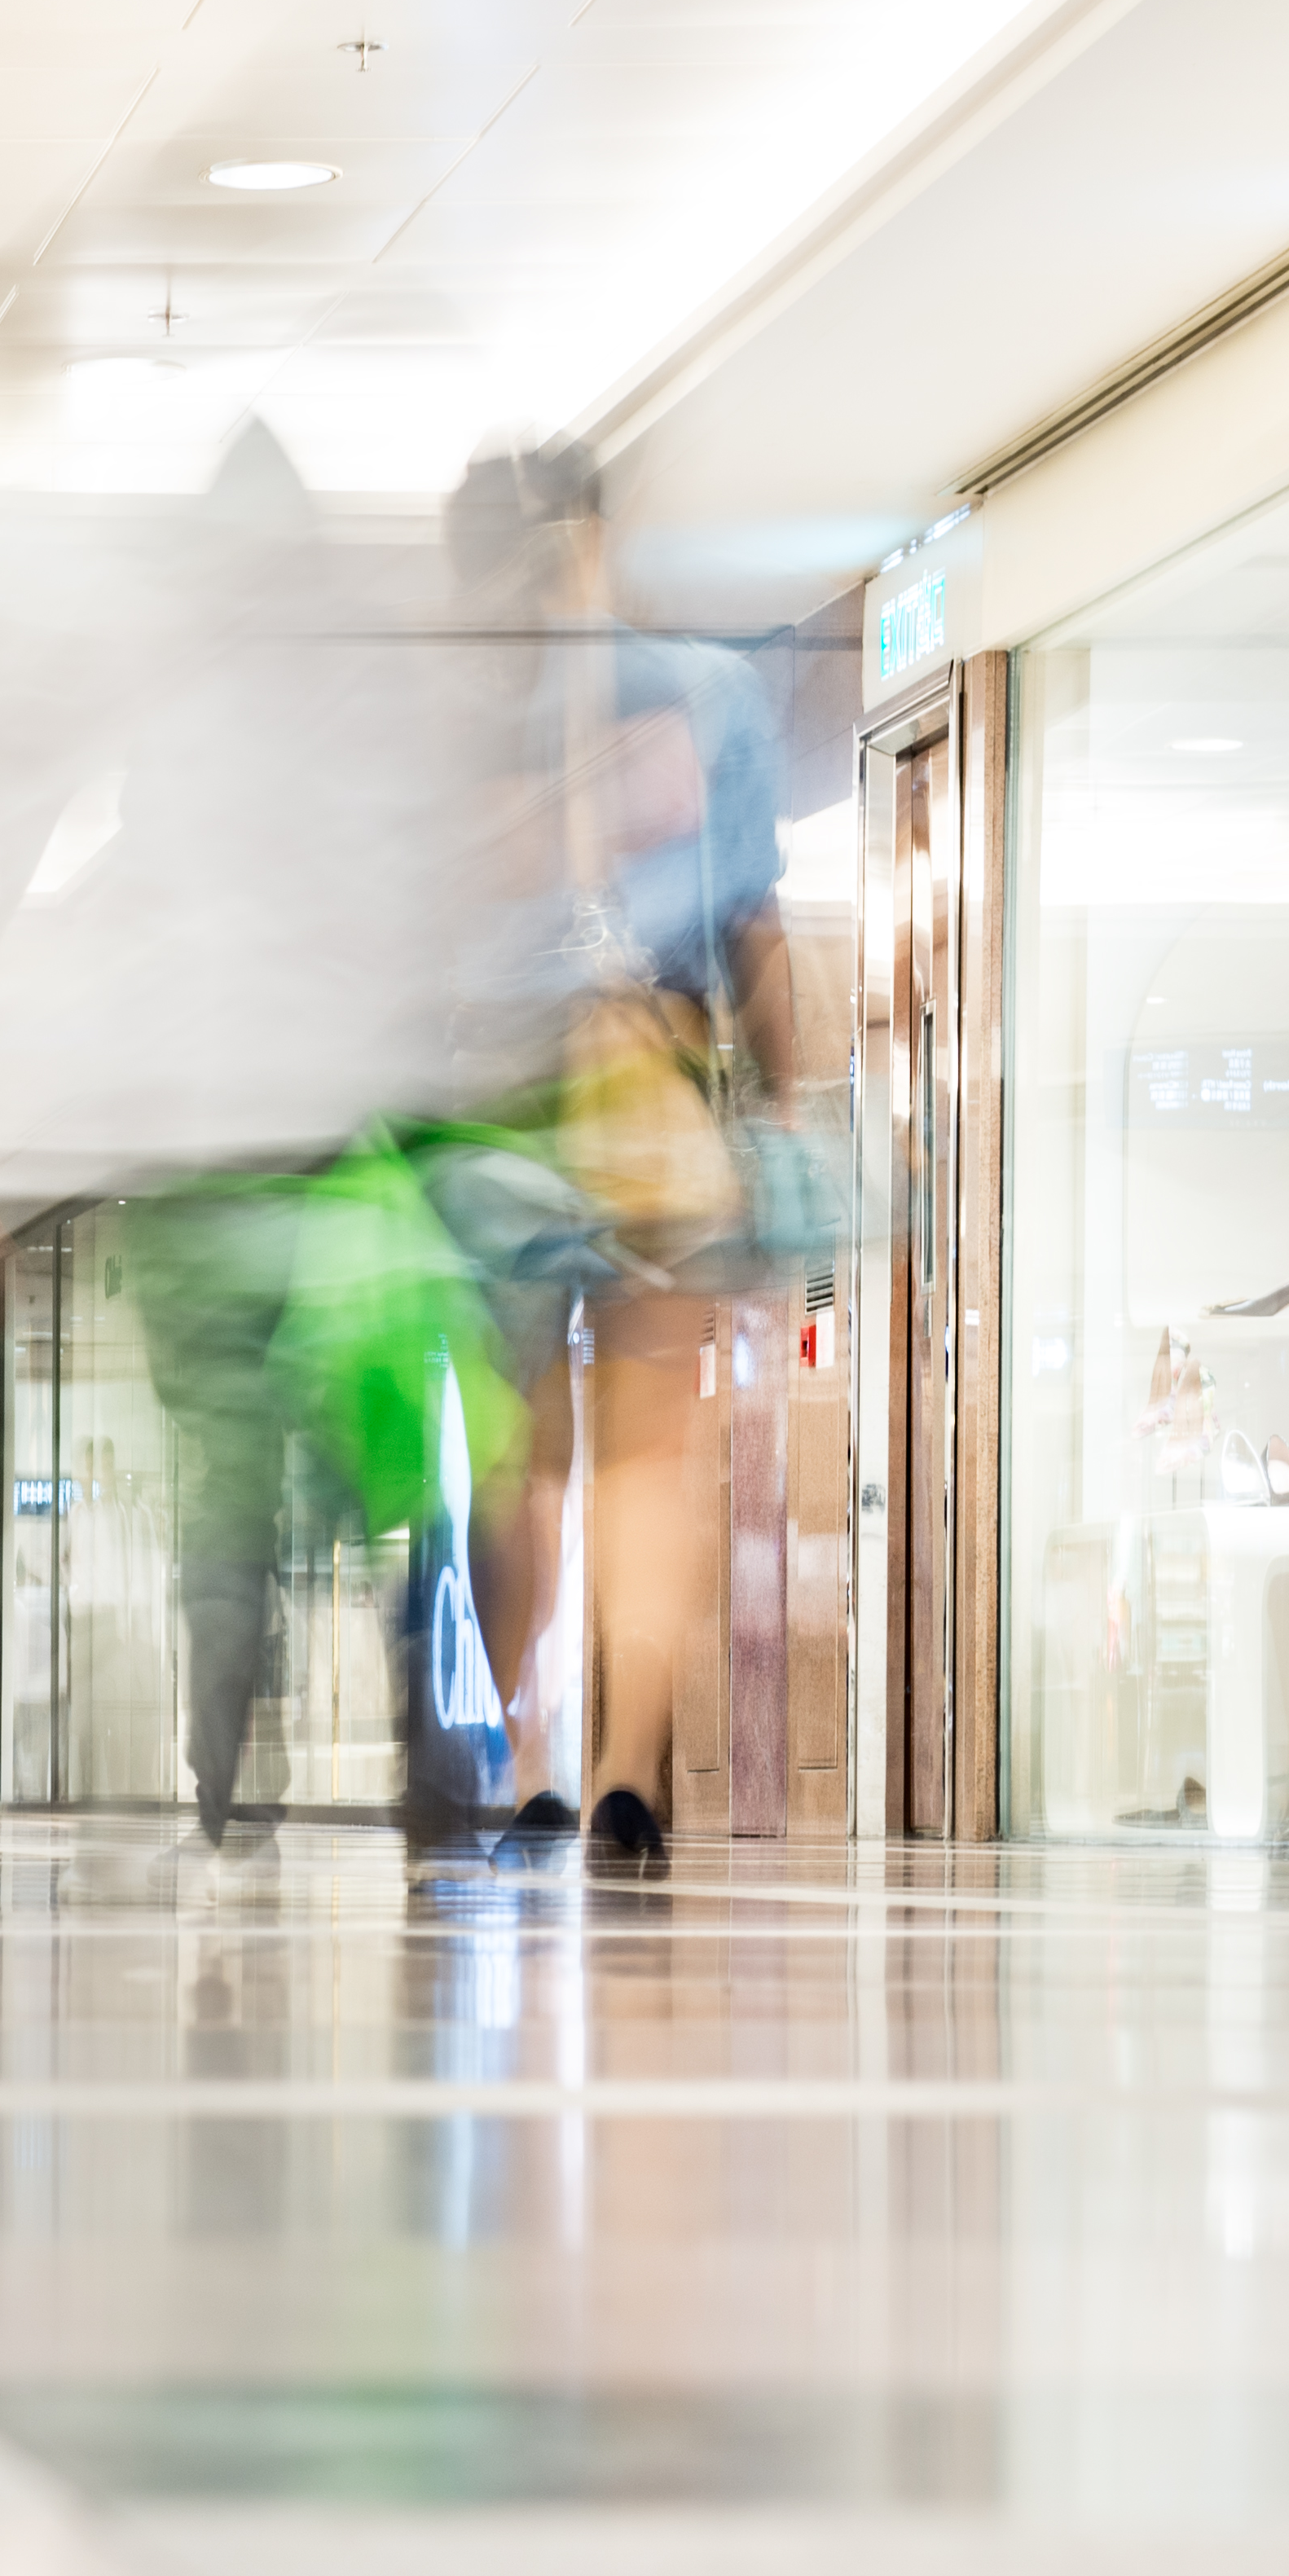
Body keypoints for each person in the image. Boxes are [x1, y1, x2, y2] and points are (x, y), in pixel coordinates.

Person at [455, 443, 810, 1869]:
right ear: (600, 536)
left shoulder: (458, 718)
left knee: (516, 1456)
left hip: (503, 1094)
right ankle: (628, 1771)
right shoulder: (709, 694)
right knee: (651, 1460)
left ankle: (530, 1757)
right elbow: (756, 933)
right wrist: (779, 1113)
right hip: (655, 1081)